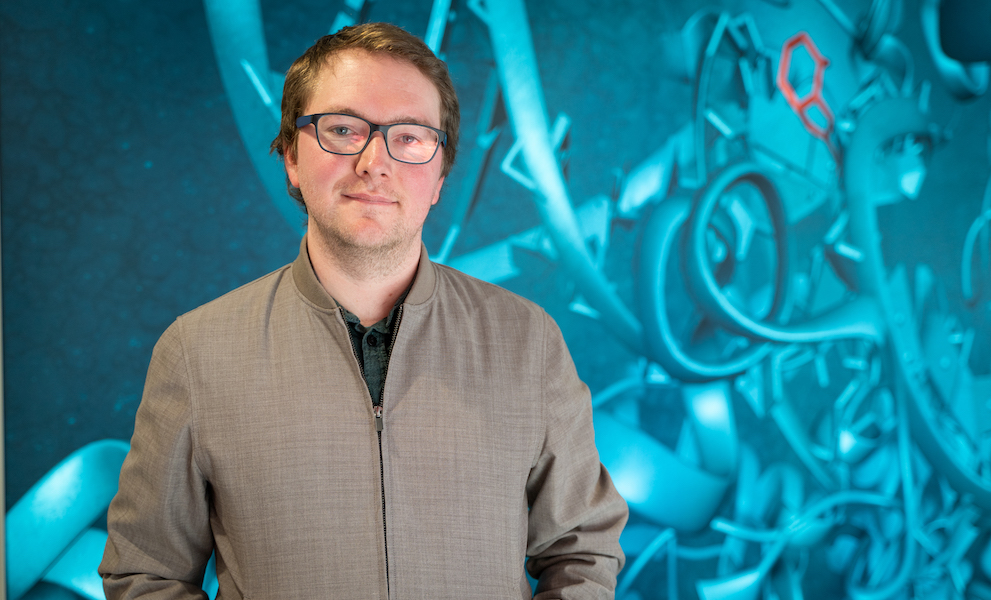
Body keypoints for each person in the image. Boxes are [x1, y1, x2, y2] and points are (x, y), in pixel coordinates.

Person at [100, 22, 628, 599]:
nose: (375, 162)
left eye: (408, 138)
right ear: (291, 160)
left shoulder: (527, 343)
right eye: (343, 129)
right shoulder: (196, 352)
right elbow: (145, 573)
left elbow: (584, 552)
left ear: (439, 177)